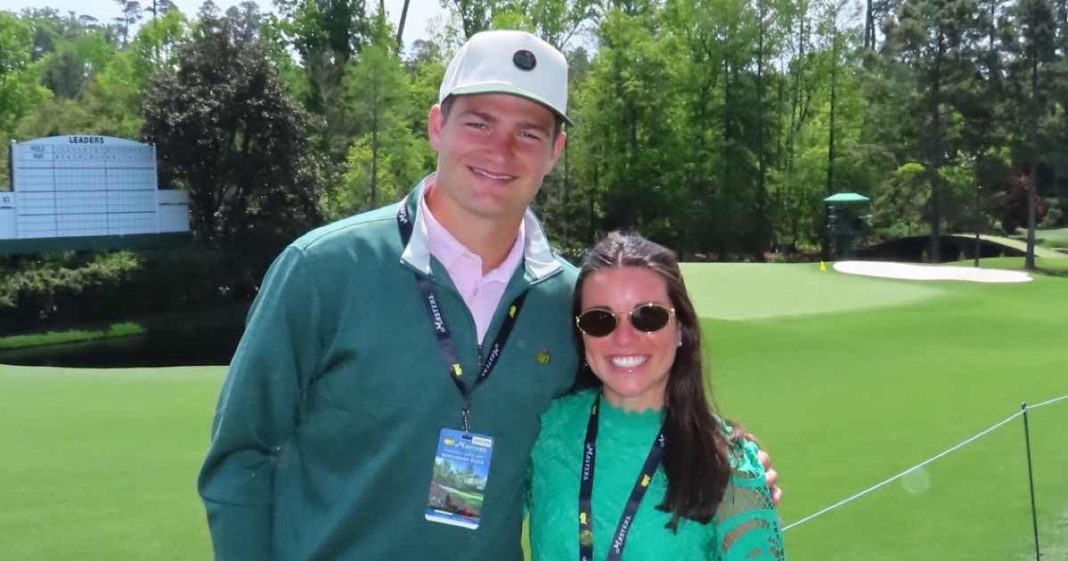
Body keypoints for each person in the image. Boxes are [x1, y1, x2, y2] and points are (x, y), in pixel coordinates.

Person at [198, 30, 779, 560]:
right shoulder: (322, 270)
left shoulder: (577, 305)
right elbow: (240, 457)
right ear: (436, 126)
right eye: (479, 122)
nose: (501, 152)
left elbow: (626, 409)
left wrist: (728, 461)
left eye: (529, 133)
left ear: (555, 150)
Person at [528, 231, 785, 560]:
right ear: (582, 335)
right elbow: (466, 513)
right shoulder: (543, 430)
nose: (623, 338)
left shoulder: (732, 464)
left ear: (680, 329)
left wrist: (749, 490)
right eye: (600, 320)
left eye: (647, 316)